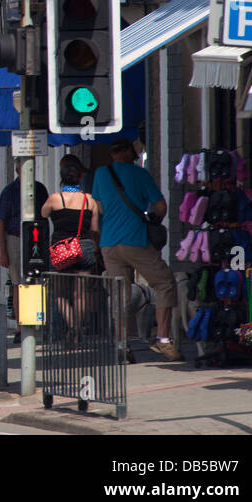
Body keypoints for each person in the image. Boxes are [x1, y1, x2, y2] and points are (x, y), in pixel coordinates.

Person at [90, 138, 181, 362]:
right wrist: (152, 219)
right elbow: (160, 206)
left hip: (108, 243)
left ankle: (122, 346)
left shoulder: (101, 174)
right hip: (134, 239)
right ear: (130, 152)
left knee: (119, 294)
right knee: (164, 283)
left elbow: (99, 206)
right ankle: (162, 340)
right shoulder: (140, 174)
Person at [41, 155, 101, 339]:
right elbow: (95, 229)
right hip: (85, 247)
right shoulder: (90, 200)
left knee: (59, 293)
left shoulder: (54, 199)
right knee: (81, 294)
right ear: (80, 177)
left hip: (61, 249)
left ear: (62, 177)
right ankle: (78, 328)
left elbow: (42, 214)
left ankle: (72, 325)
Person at [0, 159, 50, 326]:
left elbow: (45, 216)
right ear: (18, 171)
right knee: (19, 283)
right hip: (15, 238)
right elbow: (1, 221)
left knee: (36, 279)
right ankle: (21, 324)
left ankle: (35, 320)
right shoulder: (9, 191)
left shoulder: (39, 189)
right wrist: (2, 251)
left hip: (36, 240)